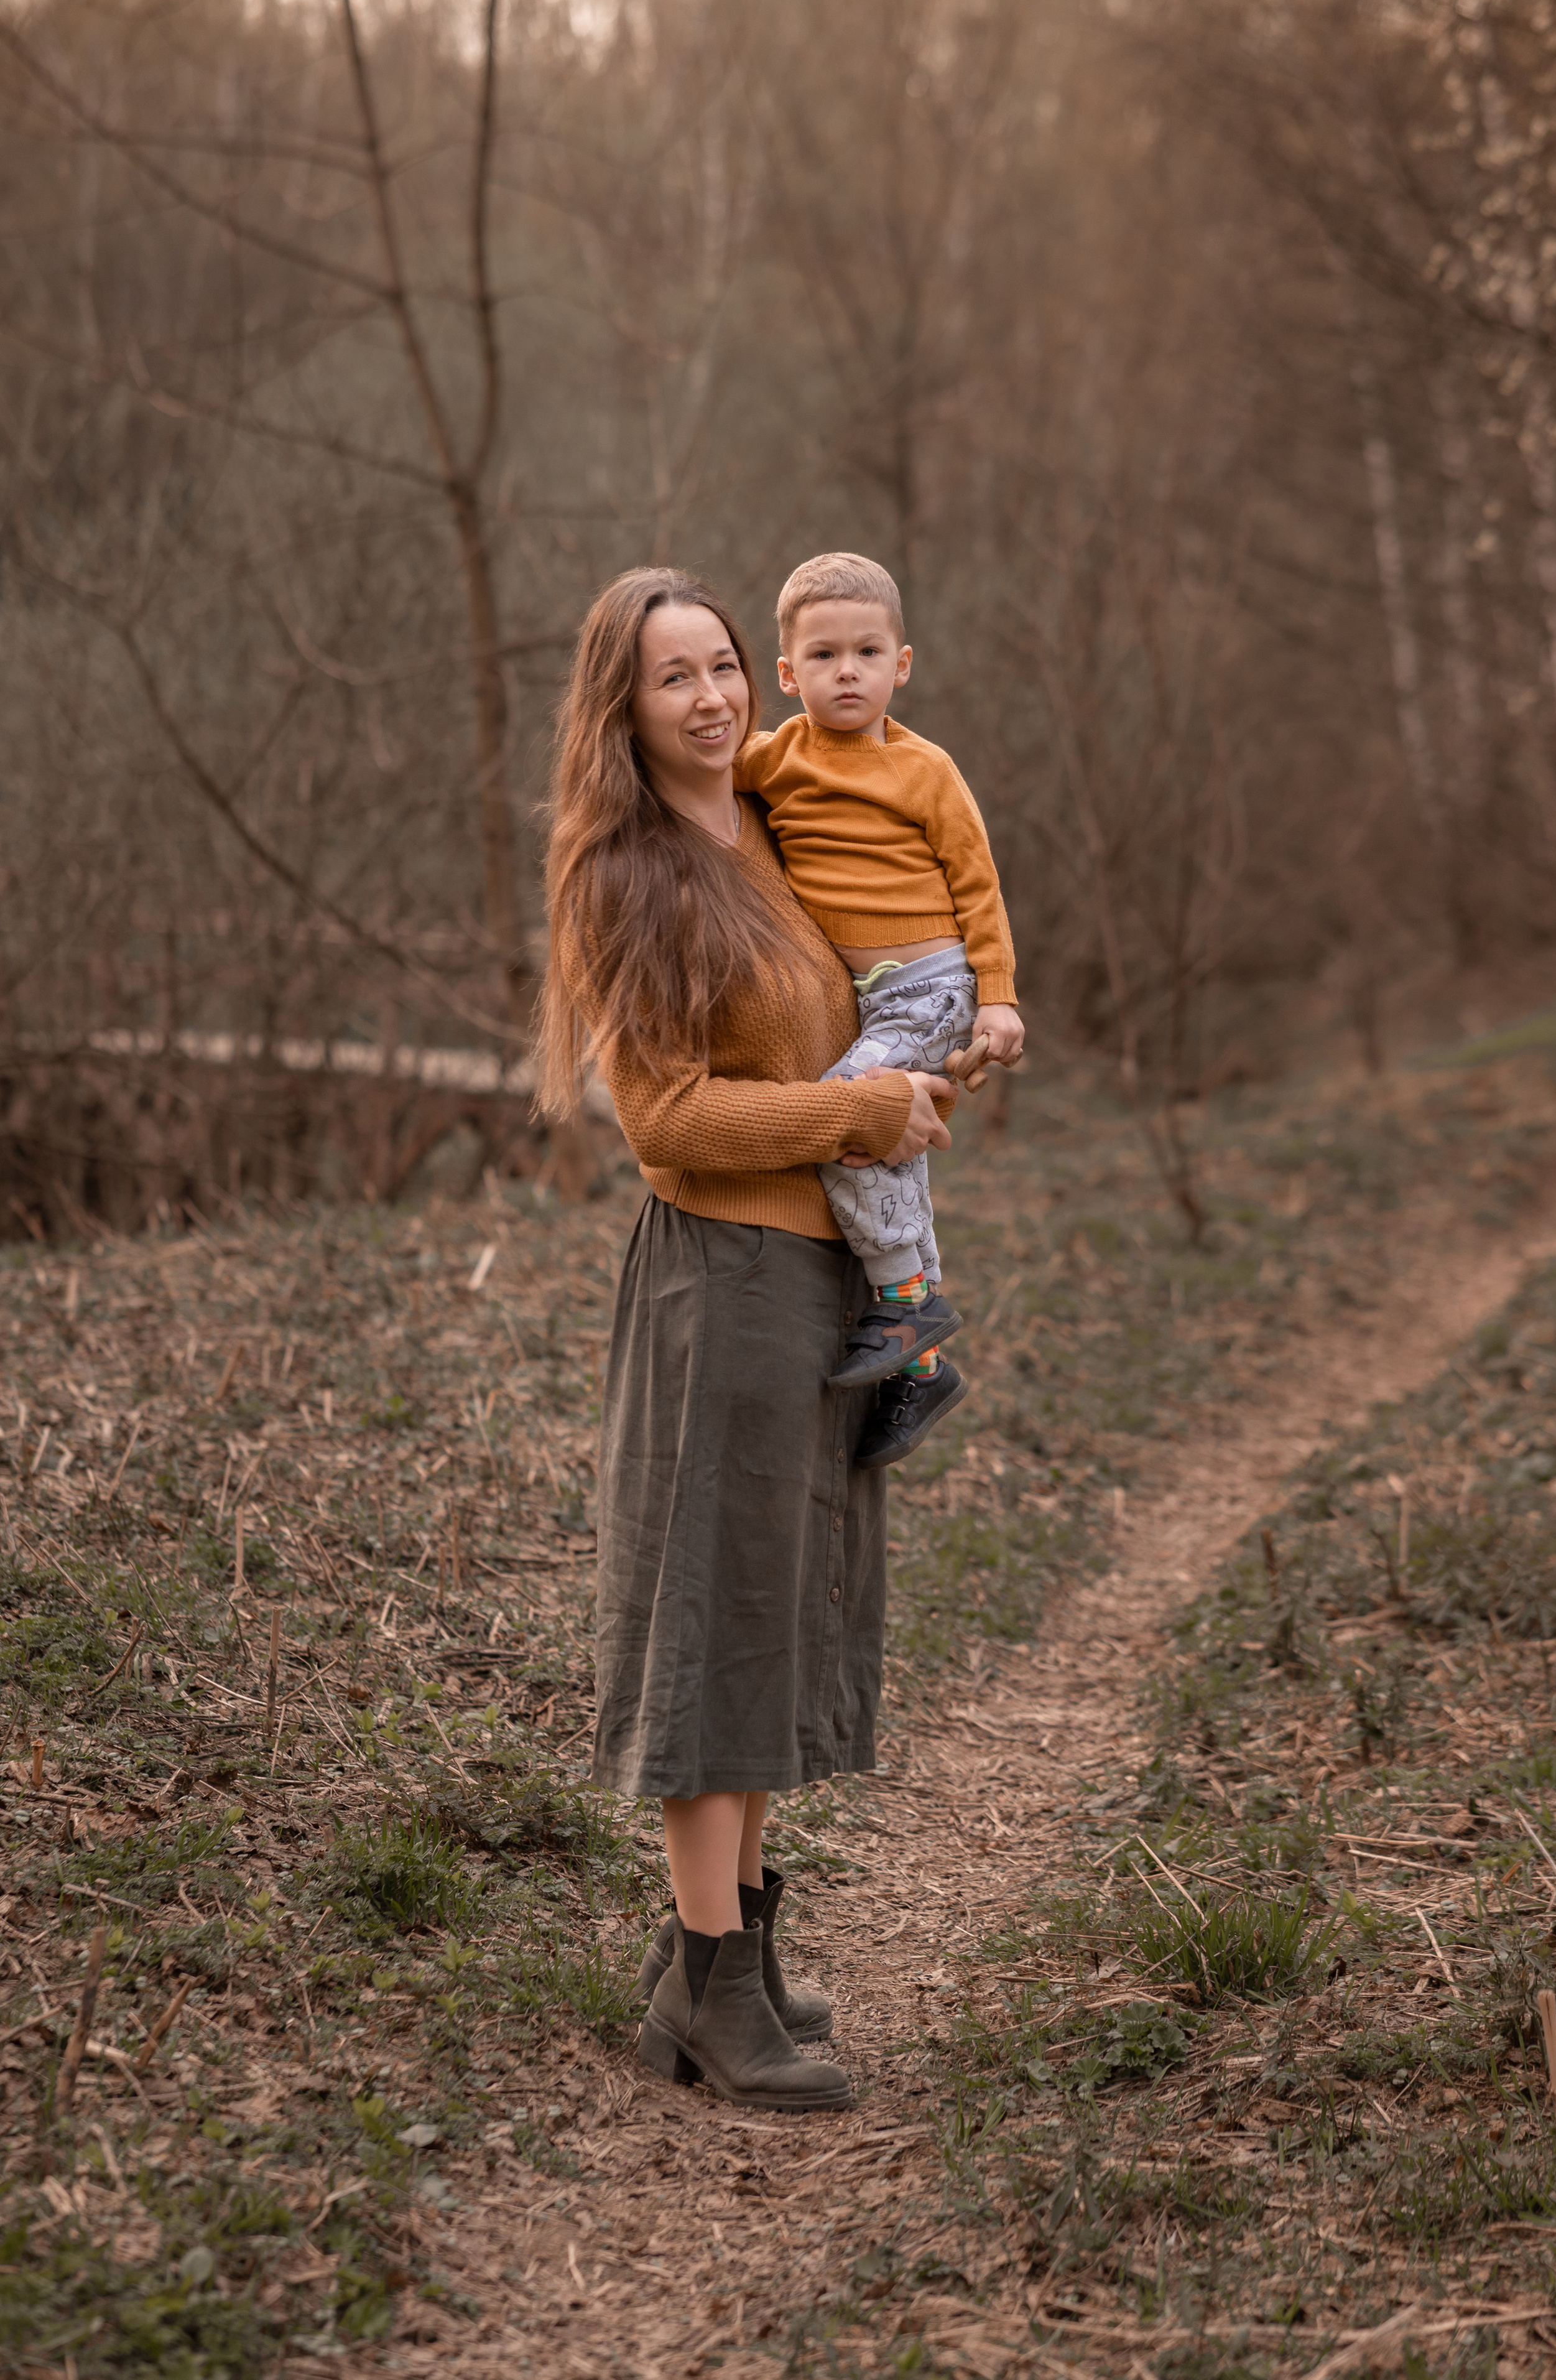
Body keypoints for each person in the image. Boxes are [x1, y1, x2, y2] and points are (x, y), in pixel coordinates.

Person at [537, 566, 955, 2113]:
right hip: (719, 1282)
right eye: (675, 677)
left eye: (722, 665)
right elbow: (667, 1124)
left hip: (815, 1276)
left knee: (777, 1607)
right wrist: (856, 1112)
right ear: (624, 707)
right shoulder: (627, 874)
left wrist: (932, 1051)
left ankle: (722, 1956)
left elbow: (860, 1002)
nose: (712, 697)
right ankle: (710, 1985)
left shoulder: (774, 827)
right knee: (717, 1612)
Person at [734, 552, 1024, 1469]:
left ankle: (905, 1303)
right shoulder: (772, 758)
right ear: (789, 676)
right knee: (893, 1151)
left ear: (901, 664)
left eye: (867, 653)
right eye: (824, 656)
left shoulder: (924, 769)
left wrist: (999, 997)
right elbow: (687, 769)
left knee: (849, 1119)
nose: (847, 672)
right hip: (869, 1001)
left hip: (932, 985)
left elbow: (978, 883)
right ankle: (923, 1366)